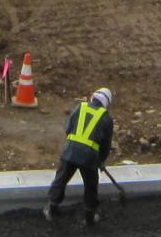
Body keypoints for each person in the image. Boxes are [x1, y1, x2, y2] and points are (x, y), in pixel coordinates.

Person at [45, 87, 113, 226]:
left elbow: (69, 128)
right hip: (89, 158)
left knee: (61, 179)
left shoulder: (80, 107)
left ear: (93, 97)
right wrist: (101, 160)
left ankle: (52, 209)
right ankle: (89, 217)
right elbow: (105, 144)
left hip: (70, 152)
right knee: (91, 186)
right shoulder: (106, 118)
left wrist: (73, 144)